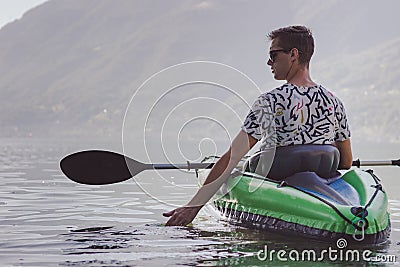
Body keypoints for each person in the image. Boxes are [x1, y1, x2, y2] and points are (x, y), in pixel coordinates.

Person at [163, 25, 352, 226]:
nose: (269, 62)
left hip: (277, 177)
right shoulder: (334, 102)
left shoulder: (270, 101)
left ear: (293, 54)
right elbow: (346, 162)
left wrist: (192, 207)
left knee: (243, 165)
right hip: (322, 180)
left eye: (274, 54)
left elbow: (231, 157)